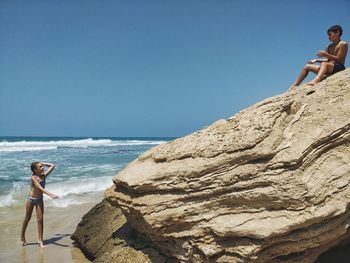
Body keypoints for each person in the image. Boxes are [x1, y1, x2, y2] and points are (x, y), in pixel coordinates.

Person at [20, 162, 59, 248]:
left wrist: (42, 163)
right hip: (31, 199)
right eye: (40, 167)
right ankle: (22, 236)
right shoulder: (33, 178)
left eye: (42, 167)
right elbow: (40, 188)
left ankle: (40, 240)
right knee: (27, 218)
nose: (43, 168)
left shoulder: (44, 175)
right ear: (35, 170)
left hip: (39, 200)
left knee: (40, 219)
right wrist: (51, 194)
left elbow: (52, 166)